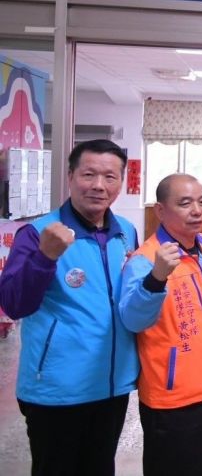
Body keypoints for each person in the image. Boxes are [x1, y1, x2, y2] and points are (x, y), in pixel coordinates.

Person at [0, 139, 139, 476]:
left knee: (100, 468)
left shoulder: (126, 232)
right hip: (57, 389)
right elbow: (14, 304)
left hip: (112, 385)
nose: (99, 185)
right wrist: (45, 257)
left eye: (110, 176)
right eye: (88, 174)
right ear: (70, 177)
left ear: (121, 182)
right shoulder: (37, 234)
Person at [119, 174, 202, 475]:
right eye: (185, 203)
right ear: (161, 210)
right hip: (171, 398)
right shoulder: (145, 260)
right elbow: (132, 320)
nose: (197, 211)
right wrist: (156, 278)